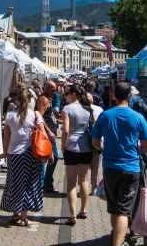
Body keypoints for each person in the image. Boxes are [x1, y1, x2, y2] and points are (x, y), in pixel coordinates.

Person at [91, 82, 147, 246]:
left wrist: (105, 149)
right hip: (131, 167)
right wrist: (137, 151)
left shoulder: (106, 115)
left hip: (110, 167)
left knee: (116, 208)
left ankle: (116, 244)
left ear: (113, 96)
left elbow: (94, 141)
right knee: (122, 210)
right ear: (130, 97)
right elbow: (146, 145)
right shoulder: (138, 117)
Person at [0, 84, 44, 226]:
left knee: (15, 184)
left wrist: (4, 153)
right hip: (31, 154)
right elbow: (42, 134)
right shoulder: (35, 115)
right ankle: (24, 216)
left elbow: (6, 137)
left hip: (14, 155)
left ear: (16, 101)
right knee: (29, 184)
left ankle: (15, 214)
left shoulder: (10, 116)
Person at [61, 83, 94, 225]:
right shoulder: (88, 109)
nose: (66, 95)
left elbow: (66, 130)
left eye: (68, 93)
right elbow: (94, 126)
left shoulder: (67, 109)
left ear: (74, 94)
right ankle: (84, 210)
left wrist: (63, 145)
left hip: (72, 147)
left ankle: (73, 215)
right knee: (84, 180)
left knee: (71, 183)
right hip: (86, 147)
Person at [42, 81, 61, 193]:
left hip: (51, 133)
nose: (55, 92)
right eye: (53, 89)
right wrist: (48, 131)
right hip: (47, 134)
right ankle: (45, 183)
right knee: (52, 158)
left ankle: (47, 183)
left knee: (52, 158)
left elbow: (48, 115)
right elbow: (39, 116)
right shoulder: (43, 100)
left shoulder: (49, 99)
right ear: (47, 88)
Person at [86, 93, 104, 194]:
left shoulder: (79, 108)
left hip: (83, 143)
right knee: (95, 167)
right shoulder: (99, 109)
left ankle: (84, 187)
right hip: (97, 141)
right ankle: (93, 188)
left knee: (84, 168)